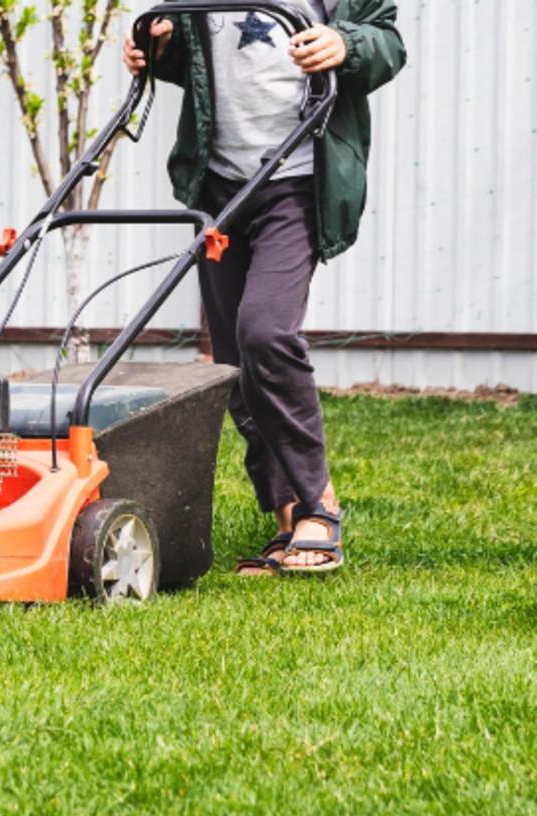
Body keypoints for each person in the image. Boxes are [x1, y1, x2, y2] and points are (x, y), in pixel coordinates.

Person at [124, 2, 405, 574]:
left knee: (266, 332)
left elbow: (387, 42)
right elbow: (205, 69)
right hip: (221, 186)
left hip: (298, 176)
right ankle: (286, 514)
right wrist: (157, 54)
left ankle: (319, 504)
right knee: (232, 359)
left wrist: (346, 45)